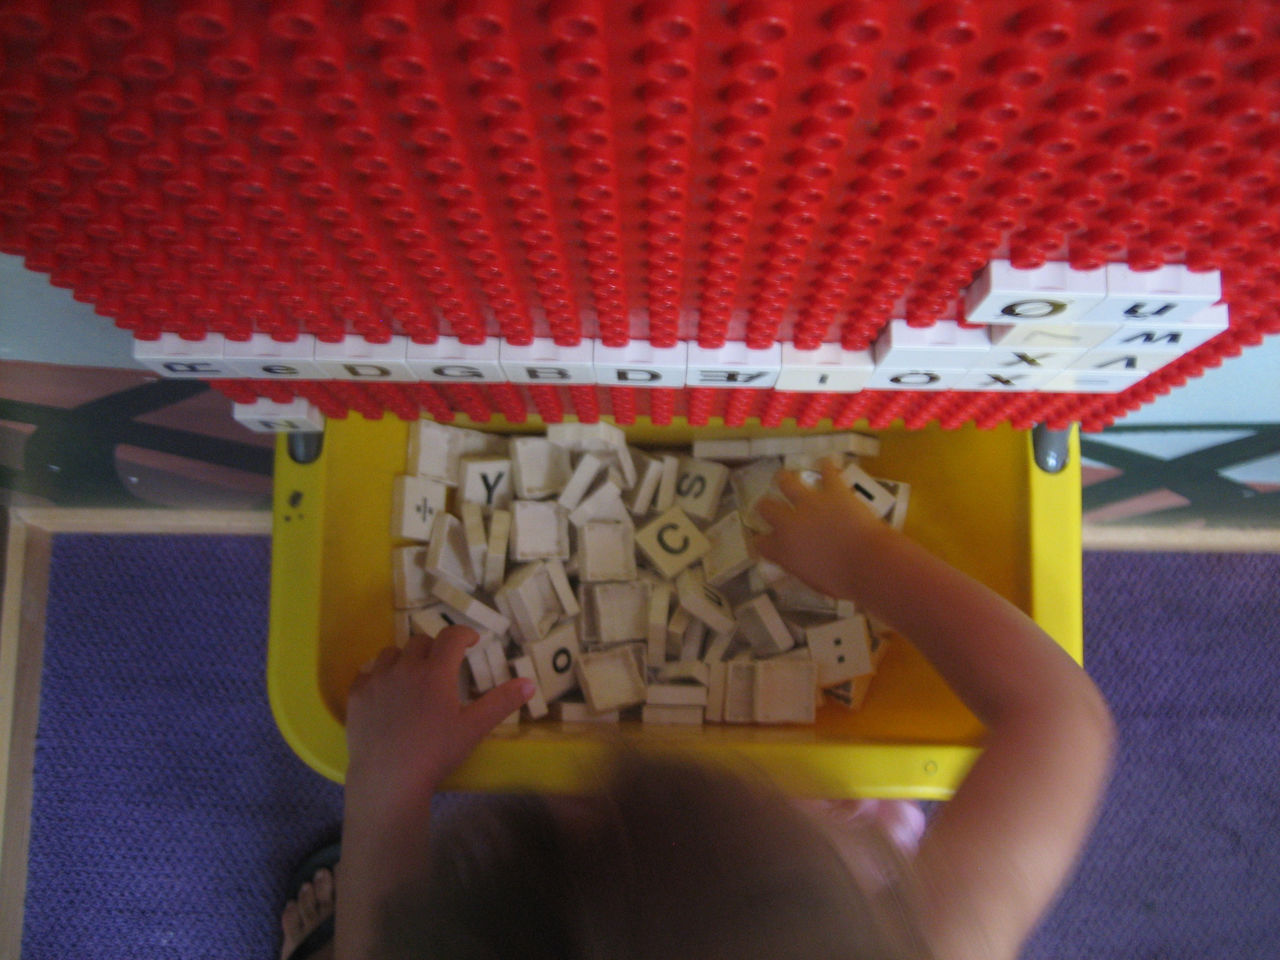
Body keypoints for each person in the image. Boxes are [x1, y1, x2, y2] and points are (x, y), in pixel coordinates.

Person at [280, 458, 1115, 960]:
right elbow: (1060, 720)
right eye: (767, 808)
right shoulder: (937, 938)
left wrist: (386, 791)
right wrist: (865, 554)